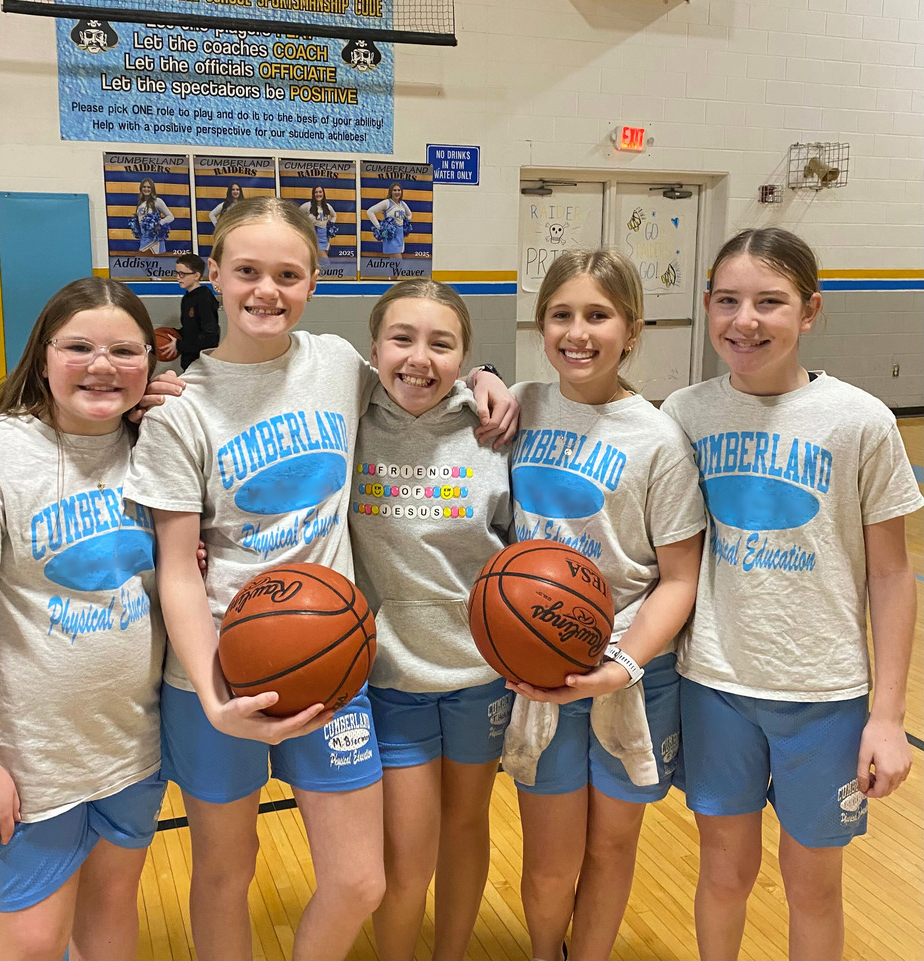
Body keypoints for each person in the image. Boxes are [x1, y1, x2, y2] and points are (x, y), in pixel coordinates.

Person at [122, 197, 517, 961]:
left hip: (332, 665)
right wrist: (213, 695)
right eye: (246, 271)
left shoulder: (337, 364)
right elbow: (176, 571)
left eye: (287, 274)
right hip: (213, 672)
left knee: (359, 880)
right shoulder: (180, 412)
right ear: (213, 277)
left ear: (312, 283)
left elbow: (421, 373)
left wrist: (488, 375)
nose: (266, 289)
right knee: (224, 872)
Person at [660, 228, 922, 961]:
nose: (745, 320)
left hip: (827, 693)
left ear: (809, 312)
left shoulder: (860, 419)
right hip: (715, 683)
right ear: (708, 307)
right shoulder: (684, 412)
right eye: (728, 301)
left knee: (813, 886)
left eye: (769, 302)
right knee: (722, 872)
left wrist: (889, 717)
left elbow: (893, 576)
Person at [0, 278, 165, 961]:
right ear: (43, 356)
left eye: (123, 351)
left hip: (130, 750)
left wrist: (486, 377)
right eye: (79, 346)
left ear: (151, 364)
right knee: (34, 939)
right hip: (27, 766)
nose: (102, 365)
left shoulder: (156, 450)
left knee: (111, 921)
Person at [506, 250, 705, 961]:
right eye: (562, 314)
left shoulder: (657, 439)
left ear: (632, 328)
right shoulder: (521, 405)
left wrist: (621, 664)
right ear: (541, 323)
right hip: (539, 668)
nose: (578, 332)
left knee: (612, 846)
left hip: (630, 666)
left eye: (598, 315)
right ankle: (542, 952)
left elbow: (680, 577)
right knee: (551, 857)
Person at [350, 280, 514, 961]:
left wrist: (491, 380)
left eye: (442, 344)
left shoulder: (496, 428)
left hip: (479, 671)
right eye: (402, 338)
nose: (420, 358)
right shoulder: (348, 413)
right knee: (407, 851)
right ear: (373, 348)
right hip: (390, 672)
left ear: (464, 354)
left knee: (467, 824)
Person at [174, 253, 220, 370]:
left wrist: (179, 345)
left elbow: (210, 336)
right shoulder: (187, 298)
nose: (178, 277)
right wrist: (174, 334)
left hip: (203, 364)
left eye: (182, 274)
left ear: (196, 275)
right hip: (189, 362)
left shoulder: (204, 298)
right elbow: (191, 330)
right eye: (177, 273)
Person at [367, 182, 412, 256]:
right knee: (398, 261)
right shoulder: (387, 202)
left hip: (400, 235)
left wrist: (406, 222)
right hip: (391, 235)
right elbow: (370, 211)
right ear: (391, 191)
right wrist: (379, 227)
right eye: (394, 190)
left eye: (399, 190)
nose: (397, 192)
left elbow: (409, 214)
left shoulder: (403, 204)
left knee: (394, 263)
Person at [131, 177, 174, 254]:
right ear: (141, 188)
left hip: (154, 240)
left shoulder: (157, 201)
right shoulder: (140, 203)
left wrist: (159, 223)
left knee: (155, 262)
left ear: (152, 189)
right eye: (144, 187)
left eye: (149, 187)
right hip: (143, 239)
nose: (146, 189)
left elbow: (170, 216)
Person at [300, 185, 337, 255]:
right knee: (320, 261)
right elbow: (297, 215)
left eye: (320, 192)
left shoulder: (327, 206)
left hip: (324, 238)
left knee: (322, 262)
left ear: (323, 193)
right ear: (313, 194)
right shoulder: (307, 206)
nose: (318, 194)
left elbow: (334, 215)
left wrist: (331, 225)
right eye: (316, 192)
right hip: (312, 238)